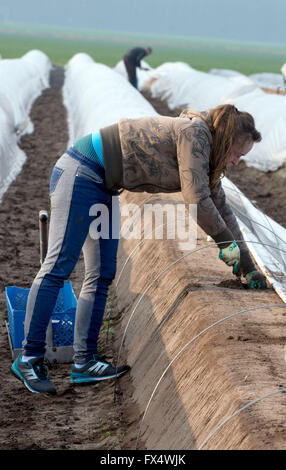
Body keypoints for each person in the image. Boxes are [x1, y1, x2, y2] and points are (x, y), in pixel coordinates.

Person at [11, 104, 267, 395]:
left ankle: (83, 362)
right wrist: (228, 247)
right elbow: (199, 202)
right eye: (236, 153)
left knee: (102, 272)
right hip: (81, 173)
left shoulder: (206, 156)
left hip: (104, 187)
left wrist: (246, 265)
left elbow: (220, 207)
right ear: (225, 139)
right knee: (59, 265)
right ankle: (30, 357)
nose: (234, 161)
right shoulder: (195, 134)